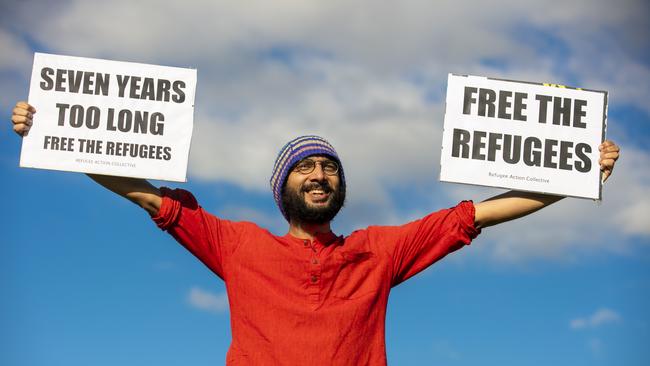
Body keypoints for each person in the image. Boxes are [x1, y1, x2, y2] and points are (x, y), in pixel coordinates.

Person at [11, 101, 620, 365]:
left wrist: (574, 175)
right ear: (283, 188)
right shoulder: (238, 245)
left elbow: (481, 213)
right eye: (305, 166)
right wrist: (53, 137)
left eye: (329, 166)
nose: (320, 173)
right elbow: (144, 193)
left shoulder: (379, 250)